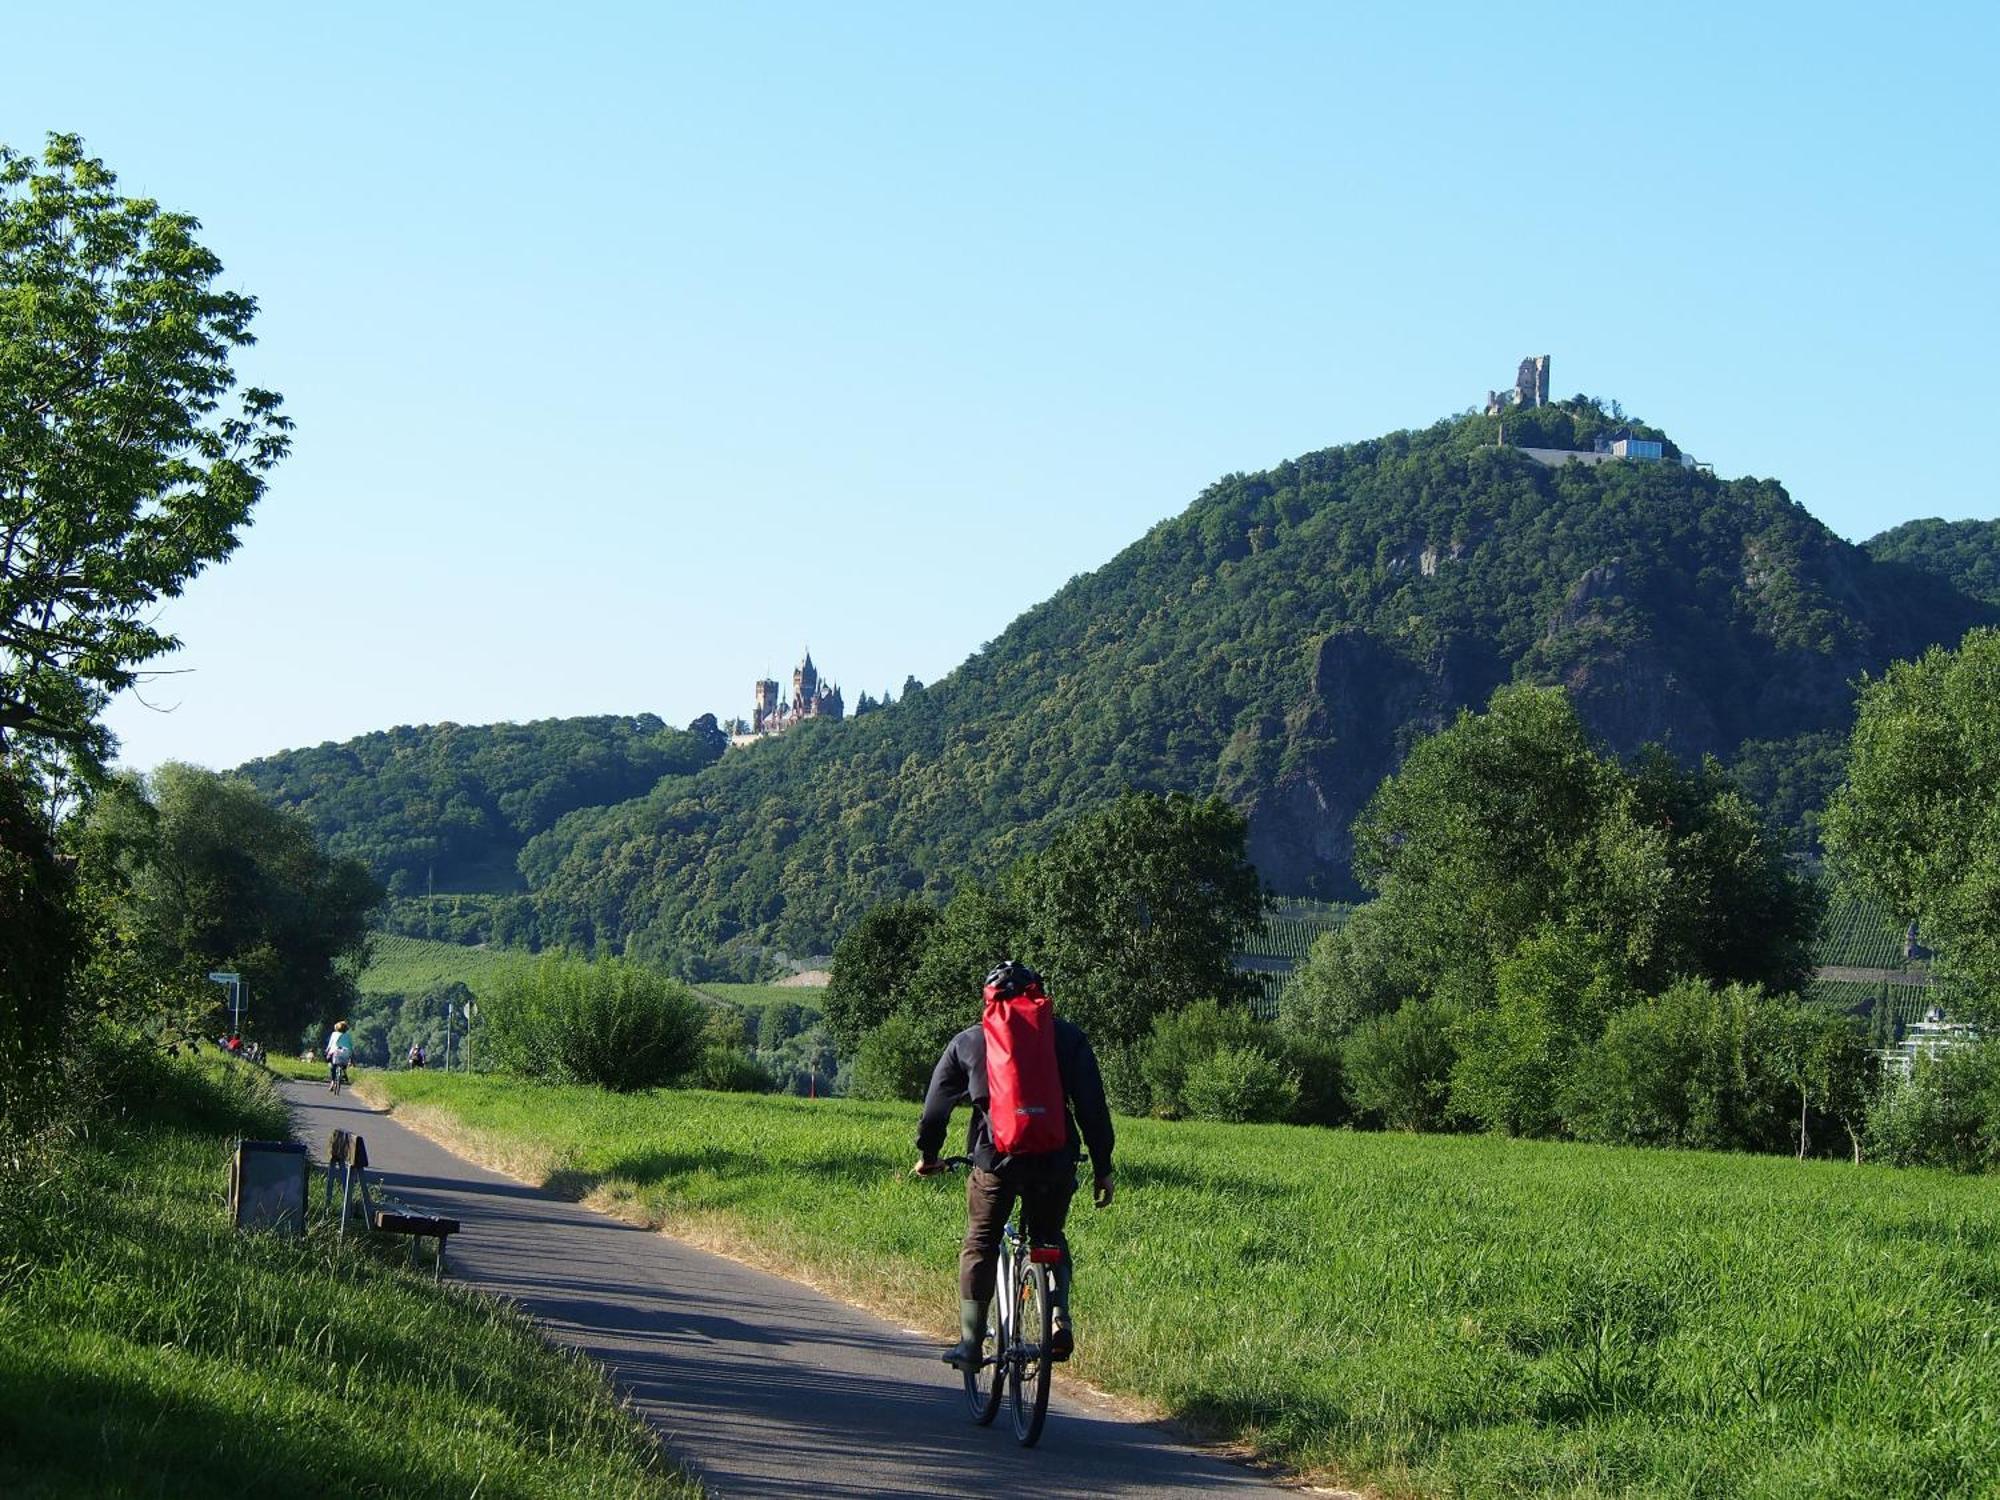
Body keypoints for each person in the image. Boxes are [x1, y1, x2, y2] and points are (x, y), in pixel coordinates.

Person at [912, 960, 1115, 1369]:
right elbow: (1093, 1108)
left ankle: (971, 1344)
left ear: (988, 999)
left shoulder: (970, 1042)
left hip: (995, 1163)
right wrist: (1102, 1166)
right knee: (1049, 1236)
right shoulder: (1069, 1038)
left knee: (982, 1242)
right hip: (1055, 1160)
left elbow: (935, 1111)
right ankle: (1058, 1317)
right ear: (1039, 995)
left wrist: (929, 1156)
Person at [325, 1020, 354, 1094]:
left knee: (332, 1065)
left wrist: (327, 1050)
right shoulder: (348, 1036)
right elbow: (350, 1045)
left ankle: (332, 1081)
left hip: (335, 1052)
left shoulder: (334, 1034)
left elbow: (330, 1044)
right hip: (346, 1053)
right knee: (344, 1062)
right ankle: (344, 1070)